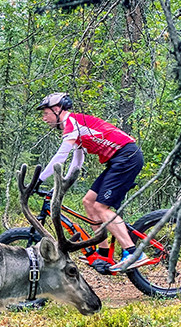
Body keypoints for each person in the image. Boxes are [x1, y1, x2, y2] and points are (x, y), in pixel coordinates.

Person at [36, 91, 145, 272]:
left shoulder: (72, 124)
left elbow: (60, 157)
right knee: (88, 201)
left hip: (127, 156)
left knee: (101, 208)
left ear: (57, 109)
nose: (43, 118)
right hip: (119, 159)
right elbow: (77, 161)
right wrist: (64, 183)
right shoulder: (75, 125)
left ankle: (134, 253)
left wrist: (38, 180)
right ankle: (103, 254)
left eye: (45, 113)